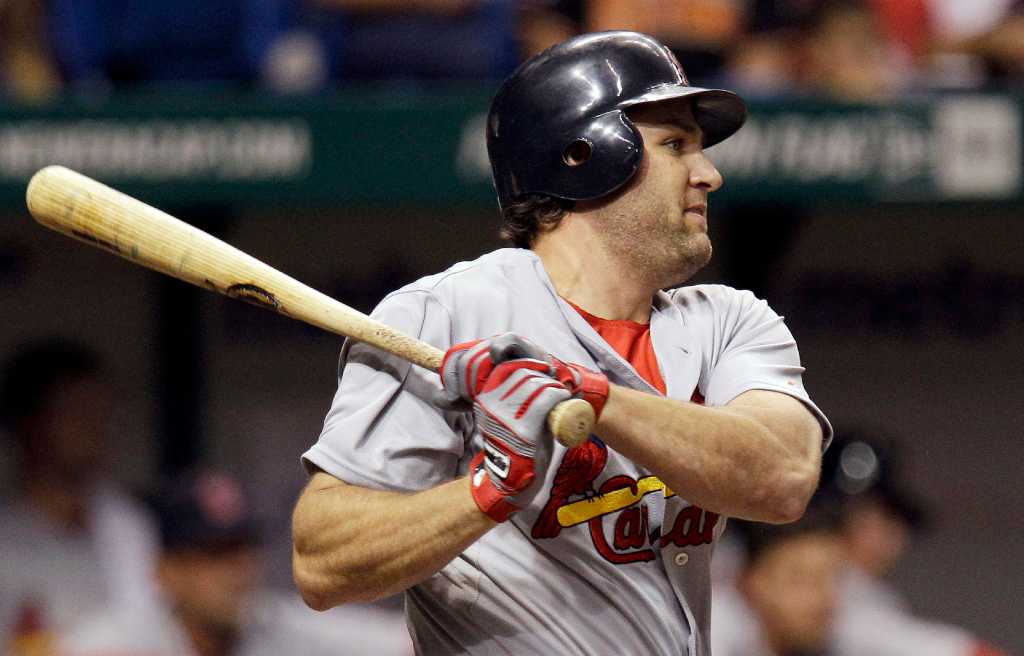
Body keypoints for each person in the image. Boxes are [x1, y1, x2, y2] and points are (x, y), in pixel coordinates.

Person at [292, 31, 831, 655]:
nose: (708, 174)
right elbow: (322, 561)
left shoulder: (728, 322)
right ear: (586, 154)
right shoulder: (450, 313)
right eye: (676, 145)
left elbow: (783, 478)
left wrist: (588, 394)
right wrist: (486, 493)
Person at [61, 468, 412, 656]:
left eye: (244, 549)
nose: (238, 571)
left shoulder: (275, 622)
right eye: (216, 554)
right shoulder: (124, 637)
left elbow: (407, 644)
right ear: (165, 570)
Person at [0, 339, 158, 652]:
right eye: (76, 410)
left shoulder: (128, 523)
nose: (94, 427)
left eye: (101, 412)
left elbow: (151, 629)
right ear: (30, 422)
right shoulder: (6, 539)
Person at [823, 436, 1009, 656]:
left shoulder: (871, 596)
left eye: (888, 521)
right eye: (852, 519)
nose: (886, 536)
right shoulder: (815, 590)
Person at [711, 499, 846, 656]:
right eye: (801, 579)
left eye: (833, 578)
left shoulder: (840, 641)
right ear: (751, 581)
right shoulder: (708, 637)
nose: (823, 600)